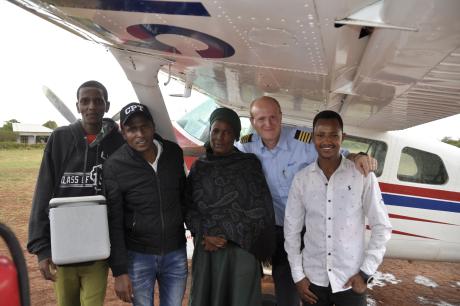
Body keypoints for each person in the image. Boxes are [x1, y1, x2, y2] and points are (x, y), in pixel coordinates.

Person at [236, 96, 377, 306]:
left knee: (320, 287)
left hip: (311, 229)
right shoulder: (247, 146)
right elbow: (223, 153)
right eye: (261, 119)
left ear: (281, 117)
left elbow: (339, 152)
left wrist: (359, 157)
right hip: (280, 230)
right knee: (287, 290)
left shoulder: (302, 141)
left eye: (273, 117)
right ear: (252, 121)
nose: (268, 124)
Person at [27, 80, 125, 306]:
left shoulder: (118, 143)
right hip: (64, 249)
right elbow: (43, 191)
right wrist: (42, 248)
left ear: (107, 105)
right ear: (78, 105)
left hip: (98, 250)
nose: (92, 106)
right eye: (85, 101)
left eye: (98, 101)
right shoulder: (59, 139)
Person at [284, 110, 392, 306]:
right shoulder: (302, 179)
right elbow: (291, 231)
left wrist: (366, 272)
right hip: (313, 281)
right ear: (313, 138)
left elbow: (381, 226)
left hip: (350, 280)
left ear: (344, 137)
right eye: (320, 135)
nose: (327, 141)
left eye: (334, 135)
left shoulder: (362, 175)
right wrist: (298, 277)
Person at [185, 107, 276, 306]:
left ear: (235, 135)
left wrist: (226, 235)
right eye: (216, 131)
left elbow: (260, 209)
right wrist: (206, 234)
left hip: (242, 250)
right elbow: (189, 207)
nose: (220, 137)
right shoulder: (200, 167)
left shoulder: (248, 164)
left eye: (227, 132)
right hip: (208, 248)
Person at [103, 102, 187, 306]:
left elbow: (185, 198)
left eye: (144, 127)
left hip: (175, 253)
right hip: (138, 257)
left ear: (153, 126)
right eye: (131, 129)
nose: (139, 134)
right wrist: (120, 271)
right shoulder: (114, 166)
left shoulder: (173, 153)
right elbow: (114, 222)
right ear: (123, 133)